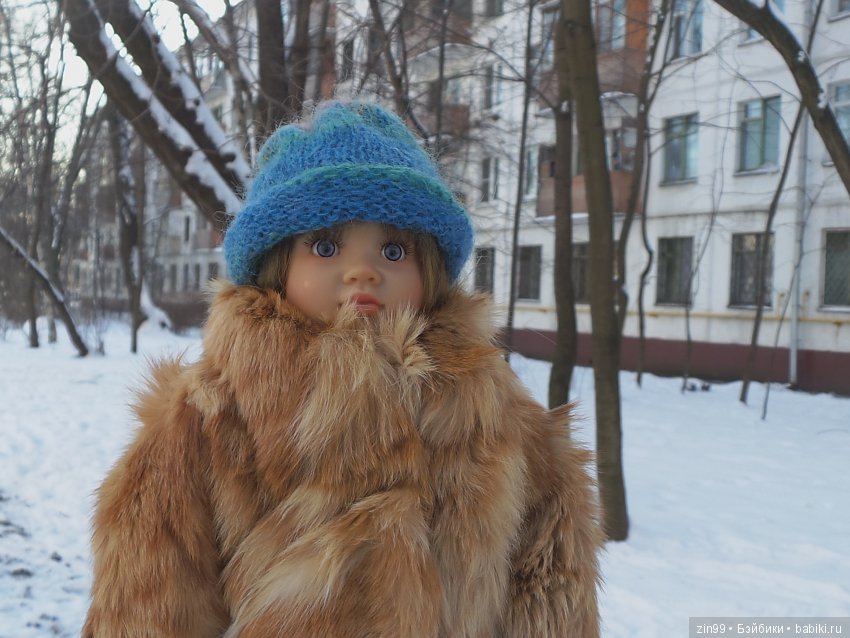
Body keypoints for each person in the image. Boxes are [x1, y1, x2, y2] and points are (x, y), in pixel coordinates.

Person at [82, 101, 601, 637]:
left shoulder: (493, 414)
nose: (362, 271)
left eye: (394, 250)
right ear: (277, 264)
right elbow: (149, 595)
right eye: (326, 246)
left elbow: (549, 579)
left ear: (429, 268)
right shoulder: (213, 415)